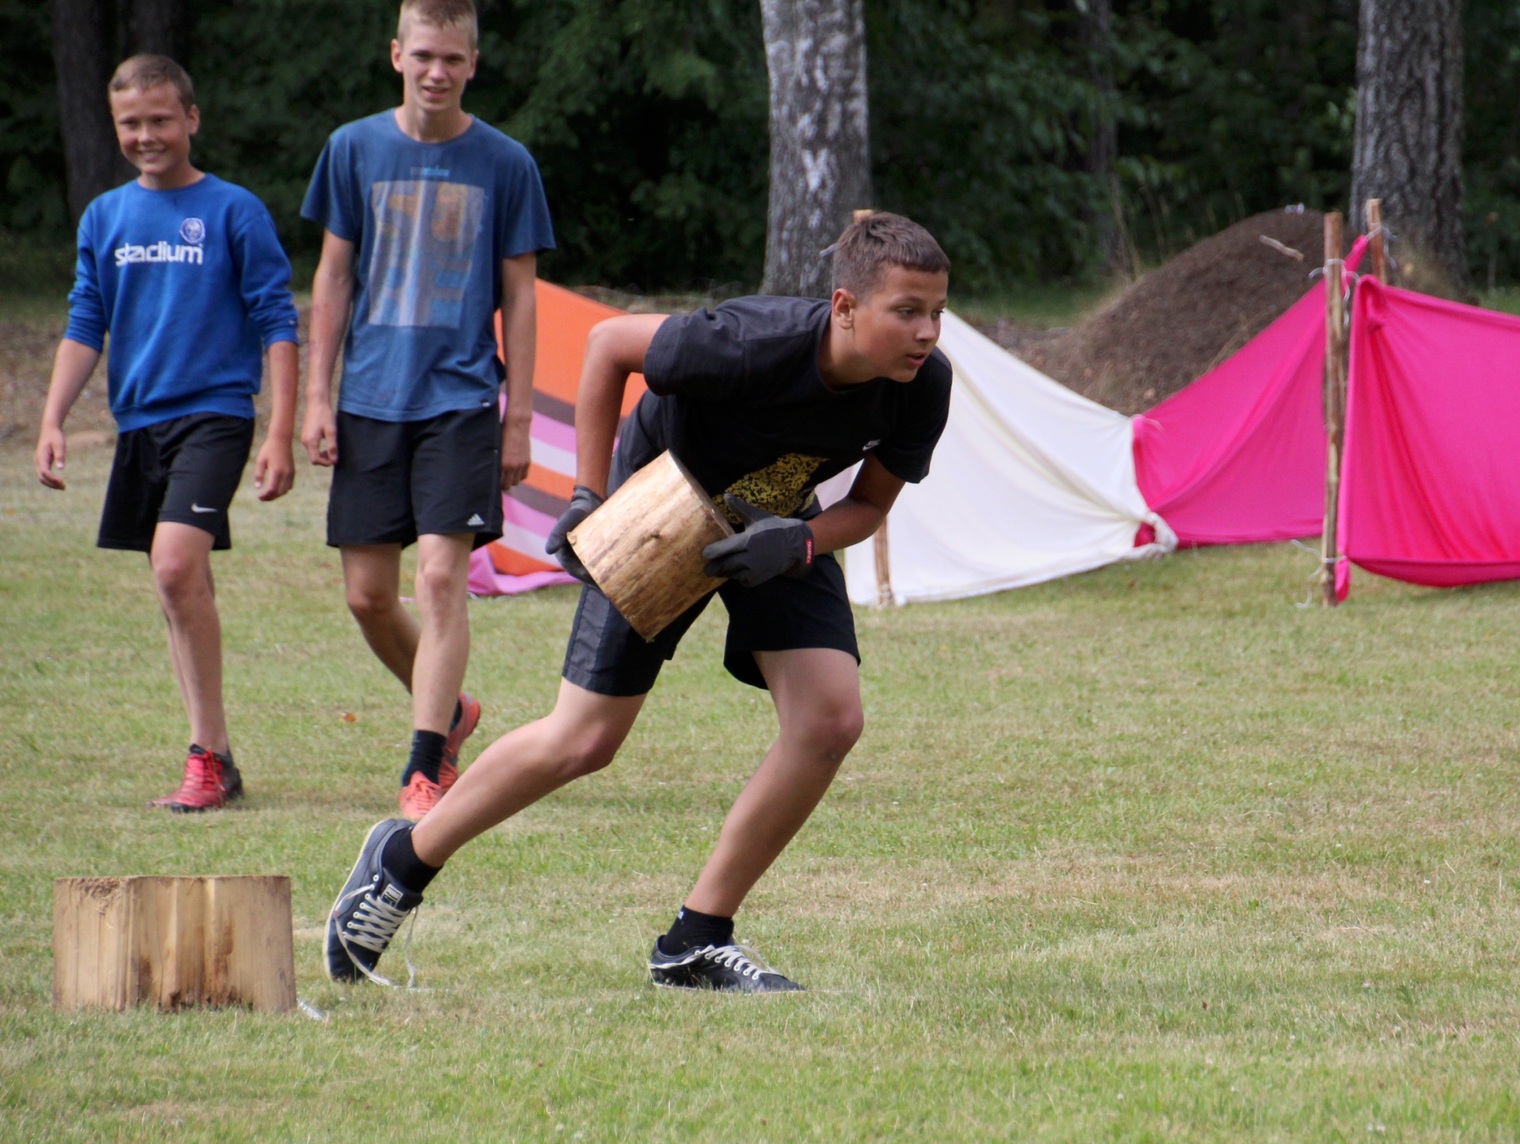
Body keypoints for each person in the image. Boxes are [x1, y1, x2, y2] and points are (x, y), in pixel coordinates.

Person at [324, 212, 953, 992]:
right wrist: (589, 496)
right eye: (907, 311)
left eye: (936, 312)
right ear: (846, 307)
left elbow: (868, 505)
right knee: (583, 739)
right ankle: (403, 858)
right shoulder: (748, 343)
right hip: (663, 504)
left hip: (777, 524)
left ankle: (696, 939)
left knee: (830, 720)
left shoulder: (923, 385)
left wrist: (798, 543)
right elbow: (608, 345)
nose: (927, 333)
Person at [299, 0, 554, 820]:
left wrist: (518, 417)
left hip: (463, 399)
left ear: (472, 64)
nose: (436, 72)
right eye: (423, 56)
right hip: (370, 397)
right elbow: (333, 277)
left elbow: (522, 294)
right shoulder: (352, 149)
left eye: (452, 58)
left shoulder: (506, 162)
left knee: (442, 577)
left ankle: (423, 766)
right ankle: (452, 712)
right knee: (368, 597)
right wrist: (316, 396)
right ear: (396, 55)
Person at [35, 54, 300, 813]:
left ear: (191, 119)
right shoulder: (104, 217)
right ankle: (216, 756)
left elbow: (278, 322)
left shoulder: (233, 210)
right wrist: (52, 418)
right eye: (131, 123)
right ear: (115, 127)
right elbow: (86, 320)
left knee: (176, 566)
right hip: (139, 423)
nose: (146, 134)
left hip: (215, 414)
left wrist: (279, 431)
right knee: (180, 583)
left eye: (160, 119)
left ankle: (205, 759)